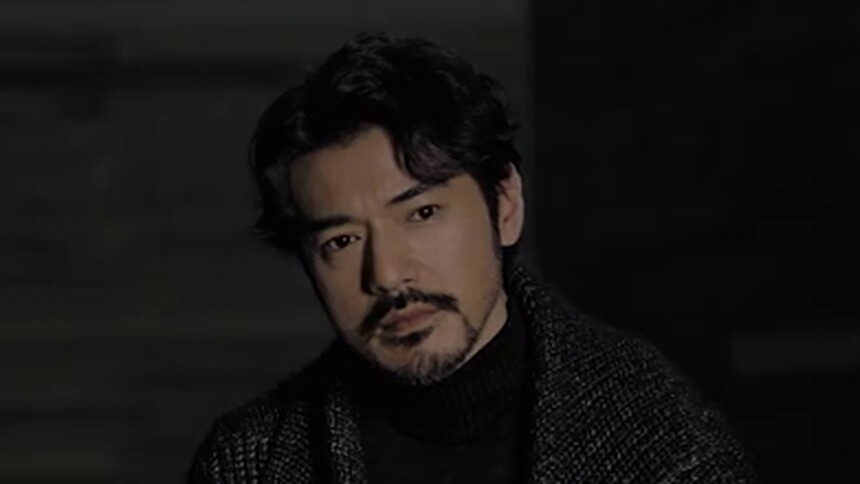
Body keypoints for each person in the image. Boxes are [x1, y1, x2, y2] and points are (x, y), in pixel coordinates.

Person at [187, 33, 757, 483]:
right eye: (342, 241)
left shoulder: (656, 433)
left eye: (422, 213)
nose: (387, 275)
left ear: (504, 205)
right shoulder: (250, 461)